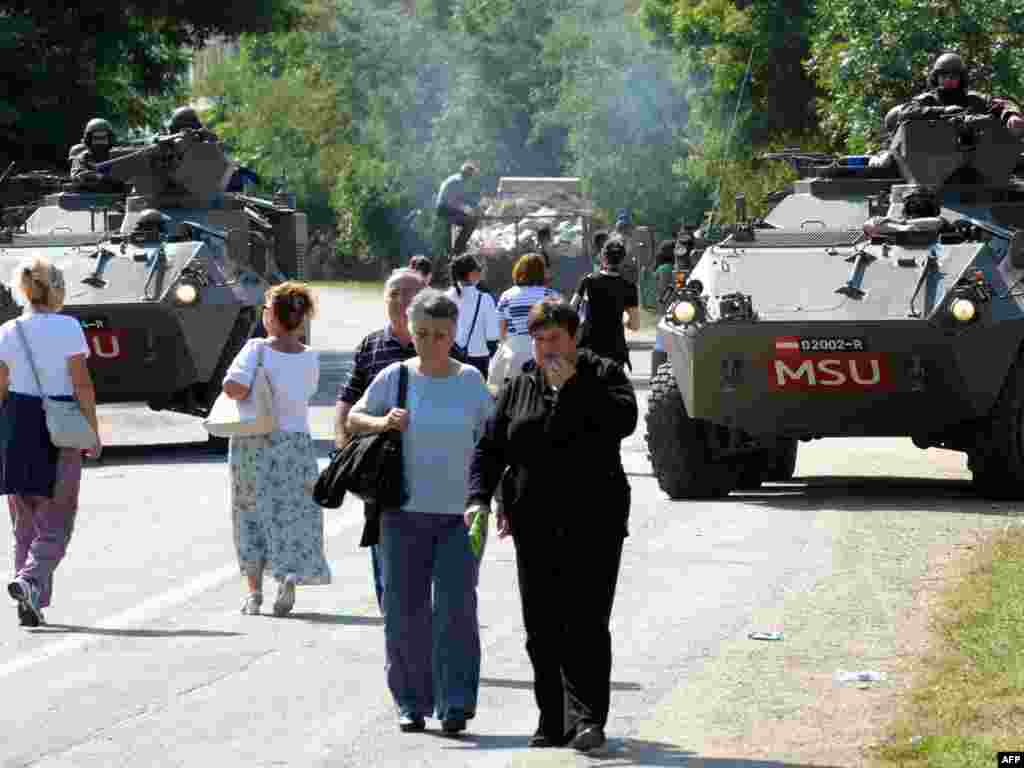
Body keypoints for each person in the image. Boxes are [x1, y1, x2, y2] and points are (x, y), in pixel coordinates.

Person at [466, 298, 638, 753]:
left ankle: (586, 720)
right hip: (534, 521)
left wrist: (576, 386)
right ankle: (552, 719)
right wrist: (478, 498)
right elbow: (490, 447)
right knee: (541, 626)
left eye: (555, 339)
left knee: (585, 620)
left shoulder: (602, 374)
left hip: (593, 520)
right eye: (539, 340)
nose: (546, 349)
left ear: (574, 337)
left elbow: (623, 421)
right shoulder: (520, 384)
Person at [347, 289, 494, 735]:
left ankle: (455, 704)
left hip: (459, 518)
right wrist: (382, 421)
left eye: (442, 335)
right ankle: (410, 702)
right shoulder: (395, 377)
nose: (431, 343)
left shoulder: (471, 381)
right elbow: (354, 417)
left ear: (454, 335)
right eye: (423, 334)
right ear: (411, 333)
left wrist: (489, 501)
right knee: (404, 612)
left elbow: (493, 443)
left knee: (456, 611)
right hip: (402, 513)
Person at [0, 256, 101, 627]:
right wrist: (92, 431)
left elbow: (0, 385)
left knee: (24, 521)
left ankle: (31, 602)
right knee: (57, 520)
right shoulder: (68, 327)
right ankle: (29, 581)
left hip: (16, 423)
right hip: (58, 425)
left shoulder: (8, 329)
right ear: (57, 289)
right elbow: (82, 384)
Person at [222, 282, 329, 617]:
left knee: (250, 511)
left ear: (273, 316)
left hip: (255, 441)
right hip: (297, 444)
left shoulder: (257, 349)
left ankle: (254, 593)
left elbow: (234, 387)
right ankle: (288, 575)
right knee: (292, 513)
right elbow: (303, 394)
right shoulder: (311, 357)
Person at [334, 269, 425, 614]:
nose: (401, 302)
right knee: (383, 548)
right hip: (379, 466)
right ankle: (394, 621)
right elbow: (348, 397)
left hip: (427, 462)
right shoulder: (371, 345)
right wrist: (343, 443)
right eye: (394, 294)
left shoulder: (441, 342)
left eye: (410, 294)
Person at [871, 52, 1024, 168]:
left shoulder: (974, 99)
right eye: (944, 75)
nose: (949, 79)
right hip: (928, 162)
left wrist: (1011, 115)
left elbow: (1001, 104)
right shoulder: (927, 99)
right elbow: (906, 112)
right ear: (936, 77)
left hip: (974, 163)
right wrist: (942, 111)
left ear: (961, 78)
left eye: (954, 75)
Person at [489, 253, 559, 389]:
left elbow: (502, 333)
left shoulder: (507, 296)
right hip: (544, 355)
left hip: (513, 356)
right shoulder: (550, 295)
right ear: (542, 272)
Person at [572, 238, 640, 370]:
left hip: (588, 348)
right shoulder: (629, 287)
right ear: (622, 259)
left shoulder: (587, 281)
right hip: (615, 350)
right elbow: (635, 325)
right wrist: (624, 321)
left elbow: (571, 309)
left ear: (603, 257)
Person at [445, 254, 499, 379]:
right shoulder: (485, 299)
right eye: (478, 270)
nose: (480, 273)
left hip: (449, 357)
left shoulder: (444, 298)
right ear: (472, 273)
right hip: (478, 359)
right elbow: (492, 336)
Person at [436, 161, 480, 257]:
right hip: (445, 210)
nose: (472, 178)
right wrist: (467, 210)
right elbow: (452, 201)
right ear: (468, 174)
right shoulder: (457, 181)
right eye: (471, 175)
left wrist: (474, 206)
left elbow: (463, 198)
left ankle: (458, 246)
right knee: (471, 221)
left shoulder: (457, 179)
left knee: (470, 218)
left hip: (447, 208)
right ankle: (459, 248)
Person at [651, 240, 676, 377]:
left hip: (664, 311)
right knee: (662, 344)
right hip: (669, 311)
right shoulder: (667, 269)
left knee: (661, 343)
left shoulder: (662, 268)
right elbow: (665, 292)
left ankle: (657, 376)